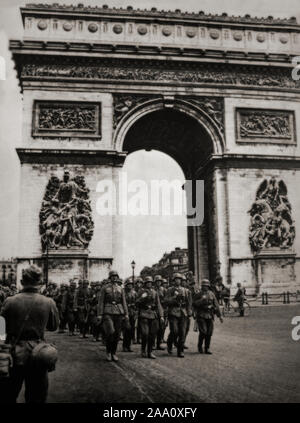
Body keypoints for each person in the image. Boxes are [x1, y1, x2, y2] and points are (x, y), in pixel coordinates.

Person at [0, 265, 59, 403]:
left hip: (14, 355)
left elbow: (1, 328)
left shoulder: (10, 301)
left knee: (8, 395)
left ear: (21, 282)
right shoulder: (48, 302)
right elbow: (53, 326)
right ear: (39, 283)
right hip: (38, 354)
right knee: (37, 397)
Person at [97, 270, 128, 362]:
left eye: (116, 276)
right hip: (108, 312)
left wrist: (126, 313)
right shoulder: (105, 288)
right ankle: (108, 352)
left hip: (119, 312)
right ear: (110, 278)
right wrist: (99, 314)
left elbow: (124, 302)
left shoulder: (120, 288)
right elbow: (101, 302)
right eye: (112, 276)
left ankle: (113, 353)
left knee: (117, 334)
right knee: (110, 332)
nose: (114, 278)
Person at [193, 279, 223, 355]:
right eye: (203, 286)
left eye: (206, 286)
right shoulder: (198, 294)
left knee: (209, 333)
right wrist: (201, 300)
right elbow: (194, 304)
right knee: (203, 332)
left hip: (210, 315)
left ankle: (207, 348)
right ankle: (200, 346)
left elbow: (216, 305)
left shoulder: (211, 294)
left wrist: (220, 316)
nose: (205, 287)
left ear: (208, 286)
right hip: (201, 314)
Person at [165, 273, 192, 358]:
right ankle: (170, 342)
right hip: (173, 312)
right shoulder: (169, 290)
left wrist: (189, 311)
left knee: (182, 332)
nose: (178, 281)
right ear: (173, 281)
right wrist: (174, 298)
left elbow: (189, 302)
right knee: (174, 331)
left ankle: (180, 351)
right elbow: (166, 301)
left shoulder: (186, 290)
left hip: (183, 312)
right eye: (176, 279)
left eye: (179, 279)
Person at [136, 276, 163, 359]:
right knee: (145, 333)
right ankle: (143, 350)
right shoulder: (141, 291)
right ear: (145, 283)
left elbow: (158, 304)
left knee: (153, 334)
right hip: (144, 313)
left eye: (150, 283)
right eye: (147, 282)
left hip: (153, 314)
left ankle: (150, 351)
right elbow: (137, 302)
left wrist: (161, 315)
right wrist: (142, 298)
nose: (149, 284)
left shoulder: (155, 292)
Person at [122, 278, 137, 352]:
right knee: (126, 329)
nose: (130, 286)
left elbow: (137, 302)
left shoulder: (134, 293)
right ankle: (125, 345)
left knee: (132, 330)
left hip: (132, 312)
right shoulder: (123, 293)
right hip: (125, 312)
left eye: (131, 285)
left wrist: (135, 311)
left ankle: (129, 345)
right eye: (128, 285)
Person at [154, 275, 166, 351]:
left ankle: (158, 344)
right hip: (154, 310)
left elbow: (166, 299)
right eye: (157, 281)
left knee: (161, 328)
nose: (158, 283)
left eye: (159, 281)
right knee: (154, 328)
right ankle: (152, 344)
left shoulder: (164, 290)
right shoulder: (152, 289)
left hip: (162, 310)